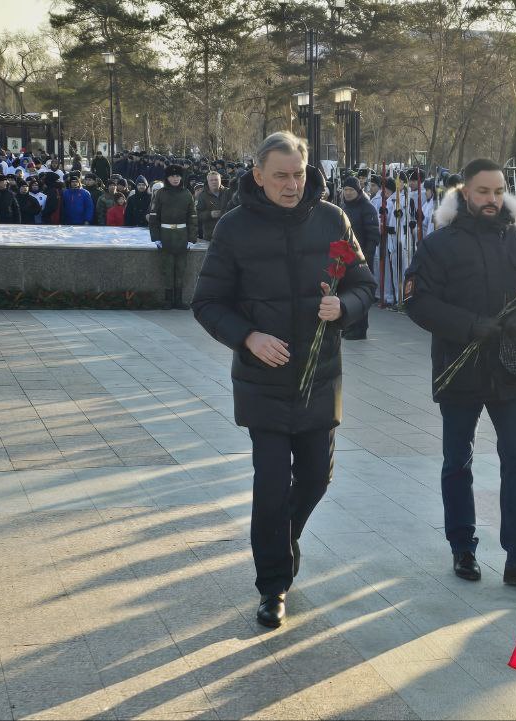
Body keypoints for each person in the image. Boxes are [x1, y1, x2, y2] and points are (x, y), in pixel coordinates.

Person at [192, 132, 376, 628]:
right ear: (258, 175)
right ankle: (272, 585)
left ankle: (282, 535)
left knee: (317, 475)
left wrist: (345, 307)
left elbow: (363, 284)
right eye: (281, 176)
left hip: (321, 375)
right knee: (271, 485)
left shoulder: (333, 218)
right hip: (263, 379)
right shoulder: (234, 227)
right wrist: (247, 337)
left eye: (298, 174)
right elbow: (207, 303)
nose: (293, 184)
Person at [405, 158, 516, 588]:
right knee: (458, 462)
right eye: (482, 192)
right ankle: (463, 548)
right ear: (465, 194)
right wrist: (471, 326)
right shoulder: (439, 245)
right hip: (461, 370)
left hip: (515, 370)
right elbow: (418, 303)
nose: (491, 200)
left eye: (497, 192)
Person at [148, 164, 198, 309]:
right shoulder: (161, 194)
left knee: (181, 269)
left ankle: (179, 300)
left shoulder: (187, 194)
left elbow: (192, 217)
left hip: (182, 236)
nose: (175, 179)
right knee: (167, 268)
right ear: (167, 178)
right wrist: (156, 237)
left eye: (177, 176)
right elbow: (154, 216)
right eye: (172, 176)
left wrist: (191, 239)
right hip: (165, 236)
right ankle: (168, 300)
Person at [337, 175, 379, 340]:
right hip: (345, 257)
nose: (347, 193)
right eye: (345, 190)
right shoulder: (343, 207)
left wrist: (366, 256)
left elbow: (373, 234)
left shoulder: (367, 208)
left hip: (361, 259)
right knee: (347, 292)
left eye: (351, 190)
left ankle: (360, 328)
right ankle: (349, 325)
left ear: (358, 191)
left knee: (360, 292)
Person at [195, 171, 231, 242]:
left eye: (216, 180)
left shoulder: (228, 192)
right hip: (210, 234)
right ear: (208, 181)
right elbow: (198, 214)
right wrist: (210, 214)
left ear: (220, 180)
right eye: (211, 180)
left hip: (228, 232)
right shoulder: (203, 196)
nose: (214, 182)